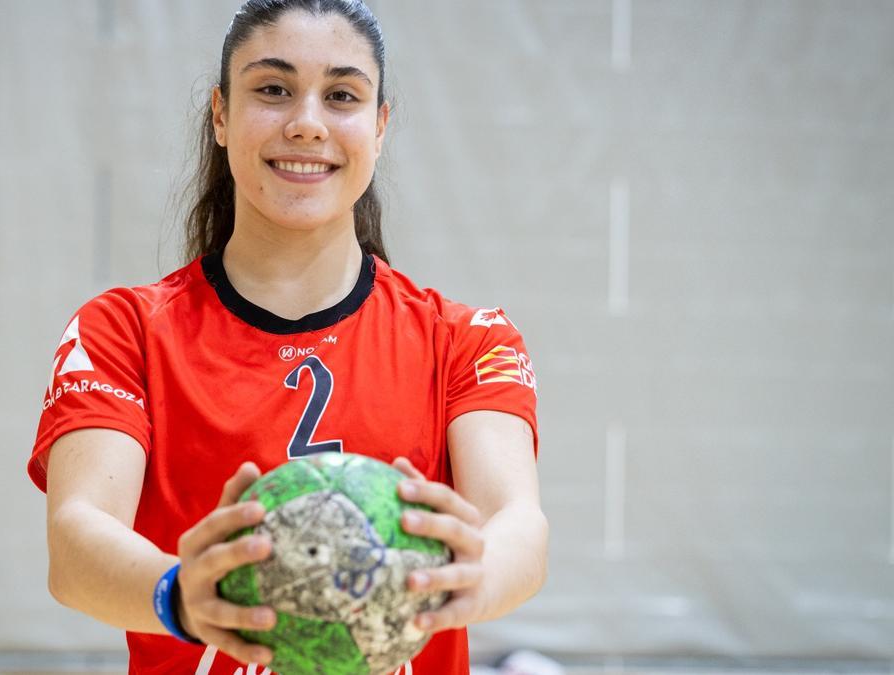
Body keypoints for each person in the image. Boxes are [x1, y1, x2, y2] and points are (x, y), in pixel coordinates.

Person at [29, 1, 549, 673]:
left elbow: (519, 524)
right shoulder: (122, 330)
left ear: (380, 125)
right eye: (273, 90)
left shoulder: (467, 339)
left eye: (341, 96)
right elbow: (75, 542)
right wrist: (179, 595)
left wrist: (472, 574)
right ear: (220, 114)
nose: (307, 124)